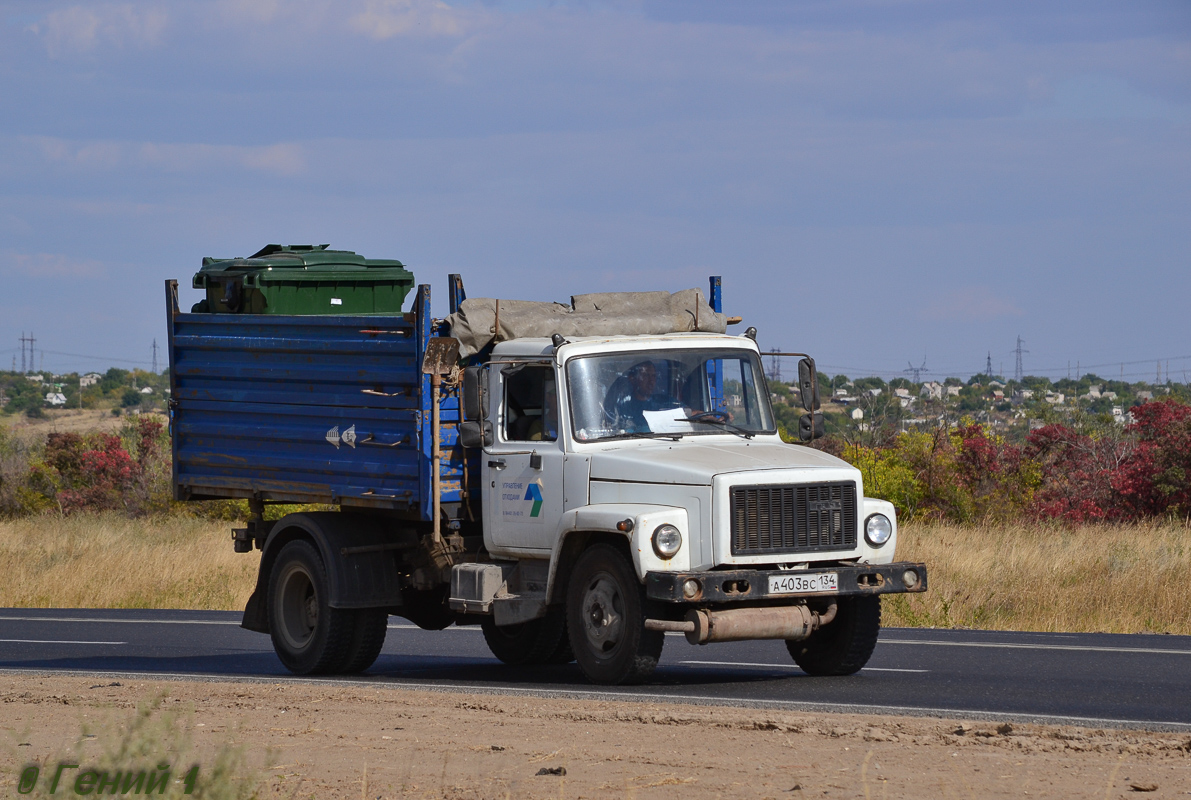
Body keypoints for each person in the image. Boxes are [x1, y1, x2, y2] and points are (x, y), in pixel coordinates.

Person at [603, 361, 680, 432]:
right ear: (632, 378)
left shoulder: (666, 402)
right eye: (646, 375)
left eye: (653, 376)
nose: (651, 381)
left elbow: (689, 413)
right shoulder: (622, 407)